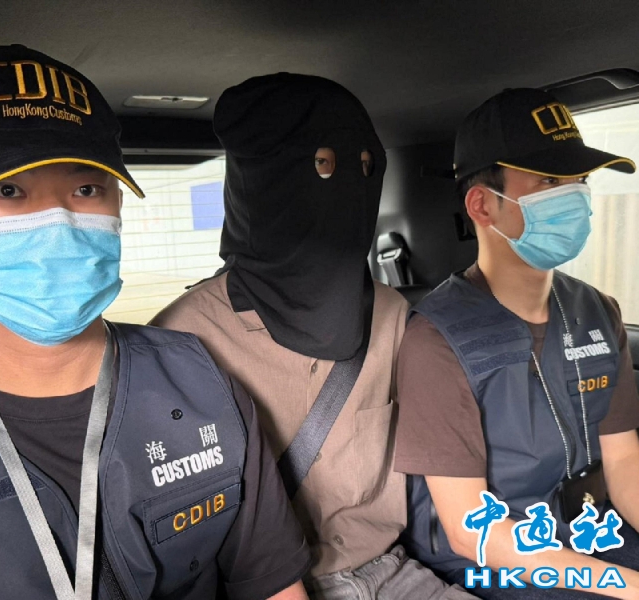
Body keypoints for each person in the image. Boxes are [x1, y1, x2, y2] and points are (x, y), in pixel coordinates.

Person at [0, 45, 311, 600]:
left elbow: (275, 587)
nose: (58, 221)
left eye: (87, 189)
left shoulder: (202, 383)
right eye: (7, 189)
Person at [152, 73, 473, 599]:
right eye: (322, 165)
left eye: (364, 168)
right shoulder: (179, 340)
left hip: (392, 573)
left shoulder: (393, 315)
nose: (348, 186)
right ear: (262, 180)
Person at [395, 87, 639, 598]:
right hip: (492, 559)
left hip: (593, 532)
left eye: (580, 181)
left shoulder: (598, 311)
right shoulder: (436, 338)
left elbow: (624, 463)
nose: (576, 196)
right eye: (550, 180)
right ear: (482, 205)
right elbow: (469, 530)